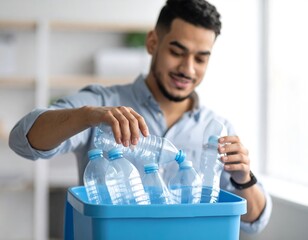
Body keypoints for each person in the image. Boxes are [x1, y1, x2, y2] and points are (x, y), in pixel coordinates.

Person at [9, 0, 271, 234]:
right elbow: (22, 139)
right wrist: (87, 116)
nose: (187, 69)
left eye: (201, 59)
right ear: (152, 43)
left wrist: (243, 177)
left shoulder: (215, 130)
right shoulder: (102, 104)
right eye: (177, 52)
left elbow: (254, 221)